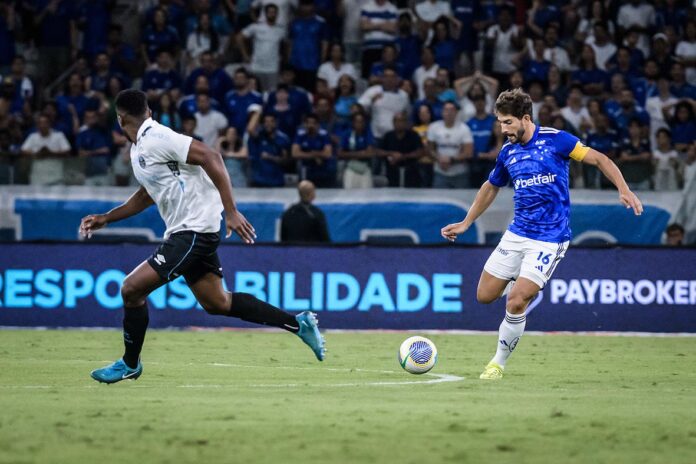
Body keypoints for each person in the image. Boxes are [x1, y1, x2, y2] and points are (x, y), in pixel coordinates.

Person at [80, 89, 325, 384]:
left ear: (120, 119)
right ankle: (299, 324)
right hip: (189, 231)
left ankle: (130, 363)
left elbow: (212, 156)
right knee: (217, 303)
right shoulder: (139, 149)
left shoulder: (157, 137)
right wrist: (108, 217)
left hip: (194, 230)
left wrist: (231, 210)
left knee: (131, 289)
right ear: (148, 111)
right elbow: (148, 194)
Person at [441, 89, 643, 380]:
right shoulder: (508, 152)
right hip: (517, 233)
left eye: (508, 122)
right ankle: (524, 282)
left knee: (516, 301)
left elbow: (599, 159)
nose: (503, 129)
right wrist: (466, 222)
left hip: (550, 238)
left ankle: (497, 363)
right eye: (500, 122)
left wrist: (623, 189)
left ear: (525, 118)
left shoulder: (557, 140)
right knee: (484, 296)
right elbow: (491, 186)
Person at [428, 101, 474, 188]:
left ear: (456, 112)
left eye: (452, 110)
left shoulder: (464, 129)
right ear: (442, 112)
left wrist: (451, 160)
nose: (449, 113)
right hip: (440, 172)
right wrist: (439, 159)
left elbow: (469, 152)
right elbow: (430, 149)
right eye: (446, 110)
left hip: (460, 174)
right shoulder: (434, 127)